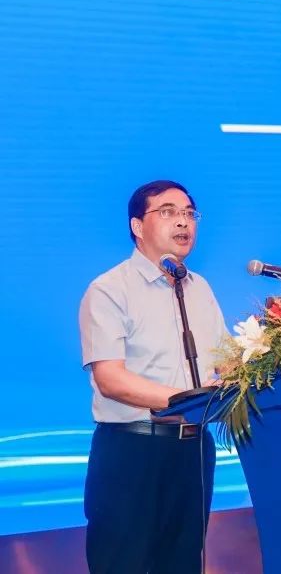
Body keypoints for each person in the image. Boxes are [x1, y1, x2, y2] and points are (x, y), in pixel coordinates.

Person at [79, 180, 228, 573]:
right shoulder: (109, 290)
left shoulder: (199, 289)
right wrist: (191, 400)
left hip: (194, 451)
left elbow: (226, 363)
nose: (183, 222)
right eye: (168, 212)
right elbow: (111, 379)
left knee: (182, 564)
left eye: (189, 213)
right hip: (132, 451)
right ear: (137, 226)